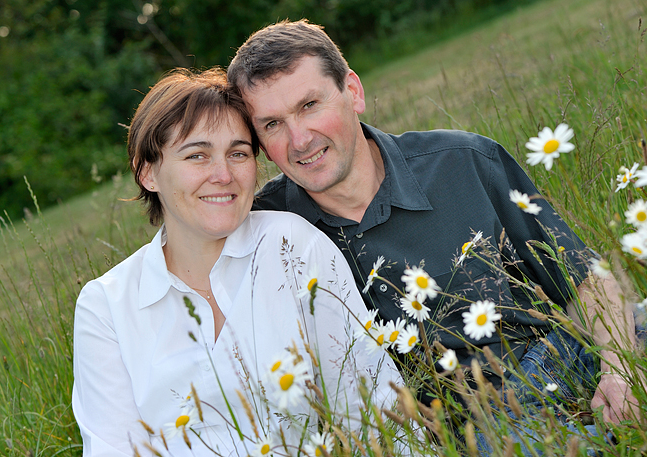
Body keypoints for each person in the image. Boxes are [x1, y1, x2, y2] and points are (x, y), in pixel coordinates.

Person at [227, 19, 641, 449]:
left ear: (353, 91)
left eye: (310, 104)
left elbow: (585, 277)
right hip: (476, 424)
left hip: (562, 350)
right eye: (272, 124)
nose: (299, 139)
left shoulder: (462, 161)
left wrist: (618, 369)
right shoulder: (266, 233)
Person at [71, 68, 402, 457]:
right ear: (148, 174)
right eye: (197, 155)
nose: (223, 175)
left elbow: (373, 403)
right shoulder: (106, 307)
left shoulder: (293, 247)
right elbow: (113, 449)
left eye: (238, 153)